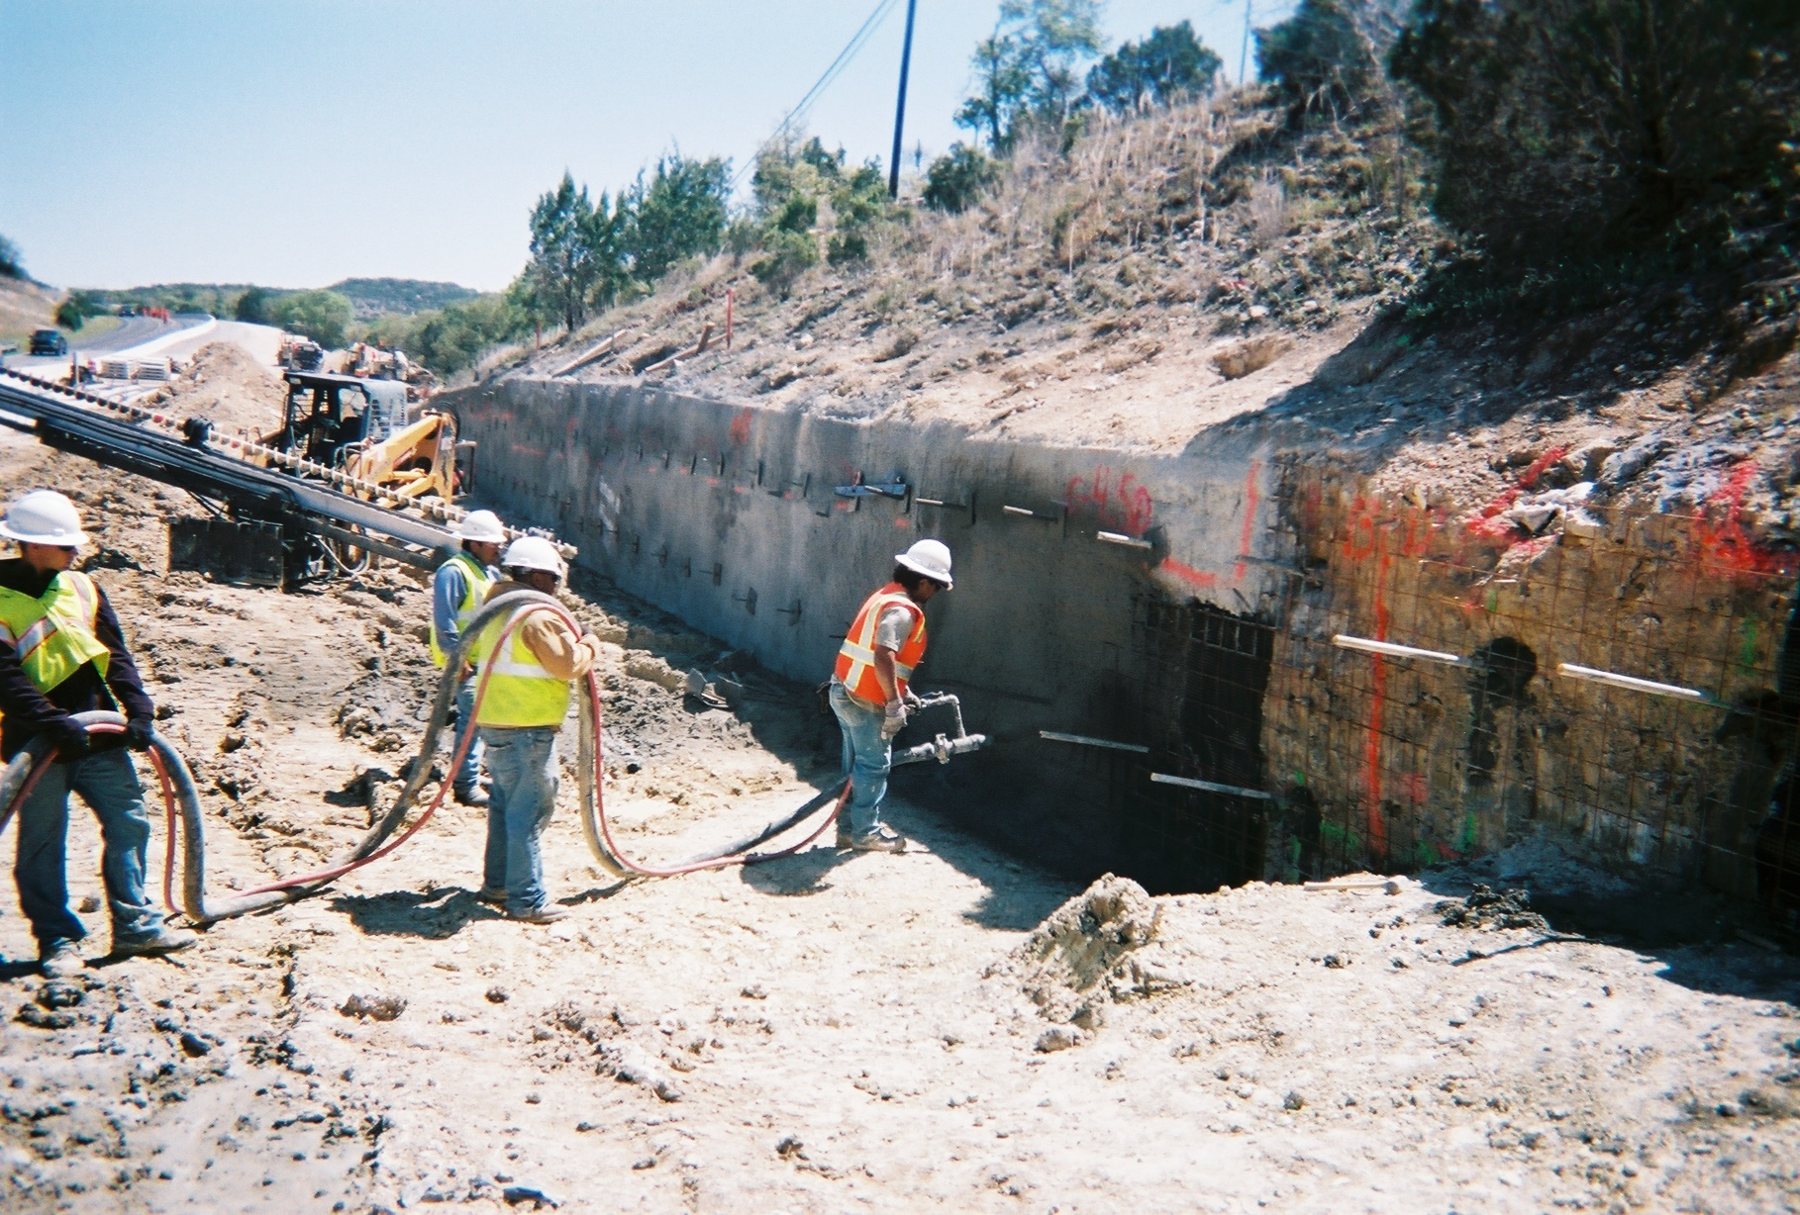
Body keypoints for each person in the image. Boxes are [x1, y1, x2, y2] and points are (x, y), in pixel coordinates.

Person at [0, 489, 195, 977]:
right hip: (38, 742)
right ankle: (57, 939)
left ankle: (136, 925)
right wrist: (52, 724)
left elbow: (115, 653)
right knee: (43, 842)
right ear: (32, 545)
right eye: (64, 544)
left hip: (98, 733)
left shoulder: (83, 588)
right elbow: (5, 678)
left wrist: (138, 708)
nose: (74, 551)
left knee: (129, 822)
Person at [469, 536, 602, 923]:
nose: (555, 588)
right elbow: (566, 665)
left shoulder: (496, 609)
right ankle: (527, 899)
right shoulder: (536, 615)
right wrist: (590, 644)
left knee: (504, 806)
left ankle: (497, 884)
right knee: (528, 811)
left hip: (497, 721)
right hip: (525, 728)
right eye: (554, 580)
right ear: (539, 576)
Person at [828, 538, 954, 853]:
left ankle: (848, 830)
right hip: (865, 700)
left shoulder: (886, 596)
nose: (934, 594)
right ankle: (866, 833)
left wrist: (902, 690)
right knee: (873, 766)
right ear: (924, 582)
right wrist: (894, 704)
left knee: (854, 766)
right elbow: (883, 654)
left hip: (844, 689)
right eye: (936, 587)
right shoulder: (902, 610)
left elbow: (879, 657)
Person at [430, 509, 504, 806]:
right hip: (466, 663)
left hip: (485, 661)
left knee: (483, 720)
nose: (498, 549)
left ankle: (470, 773)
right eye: (493, 544)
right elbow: (445, 621)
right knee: (471, 721)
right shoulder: (454, 572)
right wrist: (457, 660)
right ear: (475, 543)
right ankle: (465, 785)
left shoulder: (488, 573)